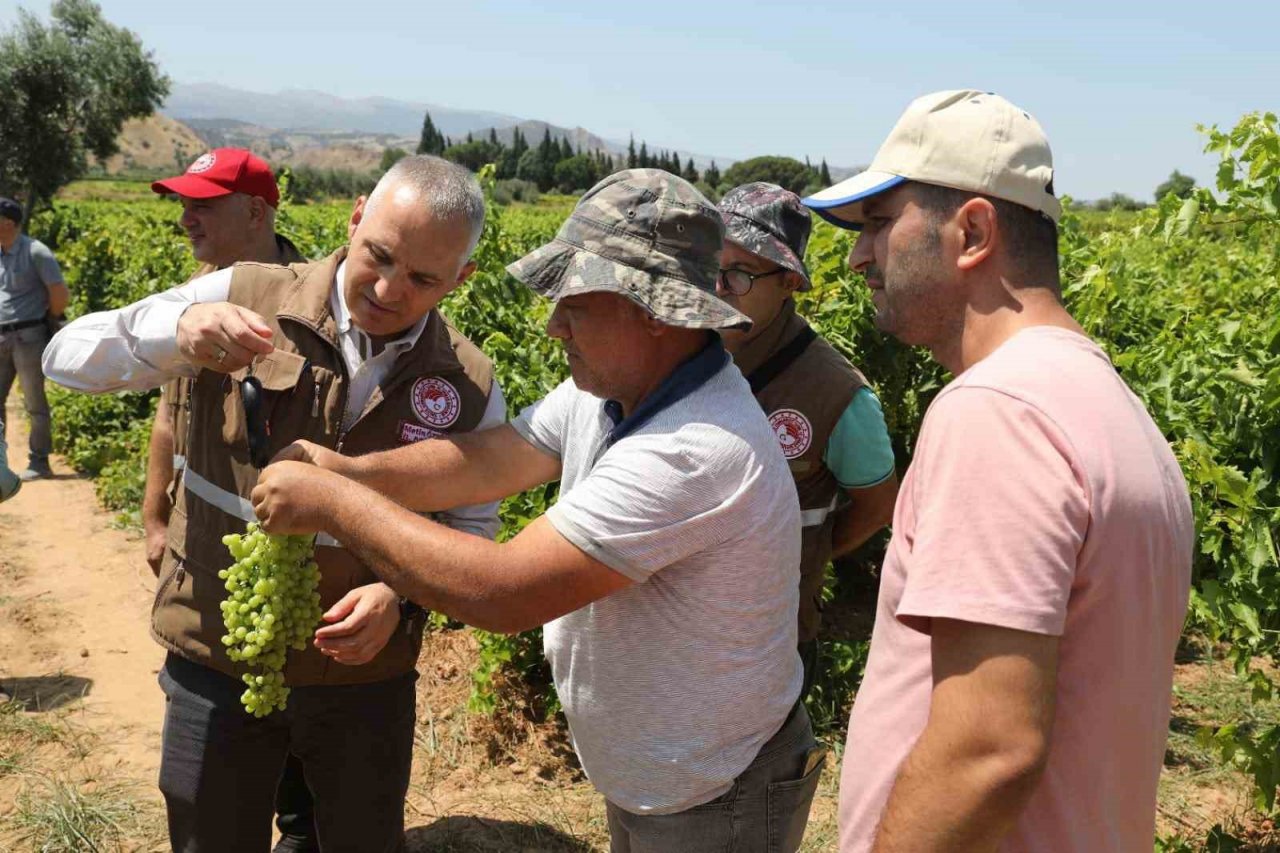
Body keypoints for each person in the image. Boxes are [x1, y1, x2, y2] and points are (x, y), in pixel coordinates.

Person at [251, 169, 826, 853]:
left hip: (714, 793)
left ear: (654, 310)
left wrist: (336, 501)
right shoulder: (614, 386)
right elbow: (498, 455)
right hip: (665, 773)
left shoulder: (692, 449)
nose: (554, 325)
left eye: (575, 303)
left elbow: (505, 592)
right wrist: (349, 469)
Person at [43, 155, 505, 853]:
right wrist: (178, 333)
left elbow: (474, 526)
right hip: (219, 648)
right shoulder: (245, 292)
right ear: (354, 219)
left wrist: (400, 597)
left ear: (462, 280)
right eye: (377, 255)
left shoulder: (469, 381)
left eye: (422, 279)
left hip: (363, 679)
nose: (386, 288)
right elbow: (65, 355)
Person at [801, 89, 1194, 852]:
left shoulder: (999, 412)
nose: (856, 256)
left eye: (880, 224)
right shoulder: (1110, 407)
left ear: (973, 230)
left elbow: (986, 753)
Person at [145, 148, 313, 852]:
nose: (186, 220)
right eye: (183, 204)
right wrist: (155, 514)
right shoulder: (194, 298)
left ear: (256, 211)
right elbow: (168, 417)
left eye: (202, 205)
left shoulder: (315, 305)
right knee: (208, 777)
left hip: (297, 583)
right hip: (206, 565)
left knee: (306, 783)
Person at [717, 183, 898, 698]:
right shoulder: (681, 353)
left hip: (768, 643)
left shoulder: (836, 395)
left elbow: (876, 503)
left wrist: (810, 553)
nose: (719, 285)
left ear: (790, 281)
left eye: (741, 273)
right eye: (711, 264)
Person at [0, 196, 68, 482]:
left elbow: (59, 295)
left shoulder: (36, 251)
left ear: (9, 223)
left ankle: (39, 462)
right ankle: (0, 464)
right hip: (2, 336)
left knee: (34, 403)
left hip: (29, 336)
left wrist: (48, 319)